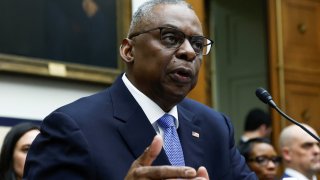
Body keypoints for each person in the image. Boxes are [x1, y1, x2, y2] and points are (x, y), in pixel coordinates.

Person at [24, 0, 257, 179]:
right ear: (129, 51)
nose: (188, 52)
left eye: (197, 44)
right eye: (170, 37)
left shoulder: (215, 126)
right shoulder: (71, 128)